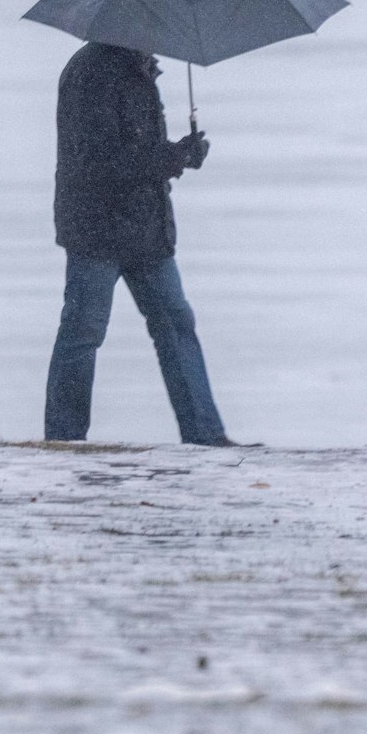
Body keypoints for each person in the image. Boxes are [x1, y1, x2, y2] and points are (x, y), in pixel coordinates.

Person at [44, 41, 235, 445]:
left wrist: (181, 155)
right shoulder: (91, 73)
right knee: (84, 331)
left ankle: (205, 435)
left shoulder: (140, 69)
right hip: (95, 228)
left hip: (145, 230)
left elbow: (135, 155)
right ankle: (64, 439)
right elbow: (97, 163)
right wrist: (172, 157)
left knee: (175, 323)